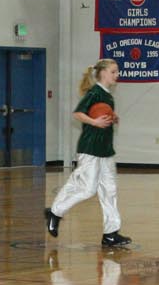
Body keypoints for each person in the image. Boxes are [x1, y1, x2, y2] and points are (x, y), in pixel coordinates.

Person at [45, 59, 130, 248]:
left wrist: (111, 118)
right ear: (103, 74)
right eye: (114, 72)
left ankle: (111, 233)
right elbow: (78, 113)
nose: (117, 75)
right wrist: (94, 122)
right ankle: (55, 212)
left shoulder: (108, 96)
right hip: (90, 150)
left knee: (110, 190)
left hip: (105, 150)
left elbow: (102, 115)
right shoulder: (94, 92)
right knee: (88, 189)